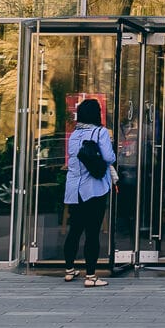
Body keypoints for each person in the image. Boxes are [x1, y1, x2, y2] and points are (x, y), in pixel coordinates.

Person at [62, 98, 116, 287]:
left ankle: (69, 270)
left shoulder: (74, 134)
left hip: (74, 189)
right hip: (93, 188)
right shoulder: (99, 132)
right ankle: (91, 276)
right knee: (92, 233)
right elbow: (109, 157)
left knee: (75, 230)